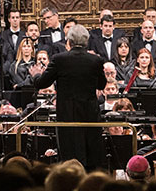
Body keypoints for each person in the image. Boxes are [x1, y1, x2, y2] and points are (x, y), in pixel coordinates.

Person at [29, 24, 106, 169]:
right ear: (86, 42)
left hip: (67, 115)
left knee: (70, 156)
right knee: (91, 155)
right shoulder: (95, 60)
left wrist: (36, 74)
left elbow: (41, 83)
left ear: (69, 41)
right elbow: (101, 85)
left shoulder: (59, 59)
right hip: (90, 115)